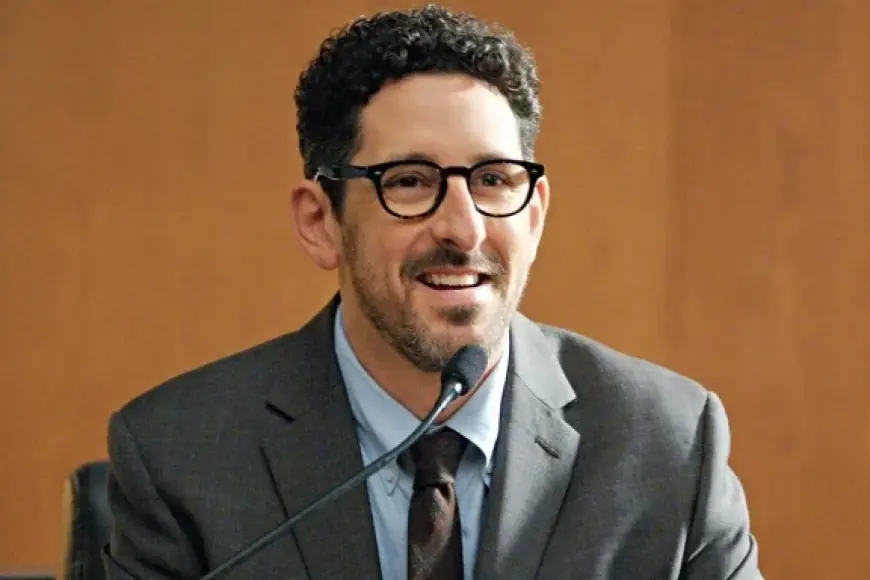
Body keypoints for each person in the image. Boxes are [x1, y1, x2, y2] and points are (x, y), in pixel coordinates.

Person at [103, 4, 762, 579]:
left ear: (534, 216)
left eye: (494, 180)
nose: (464, 228)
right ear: (320, 222)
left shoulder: (670, 444)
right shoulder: (180, 458)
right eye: (411, 182)